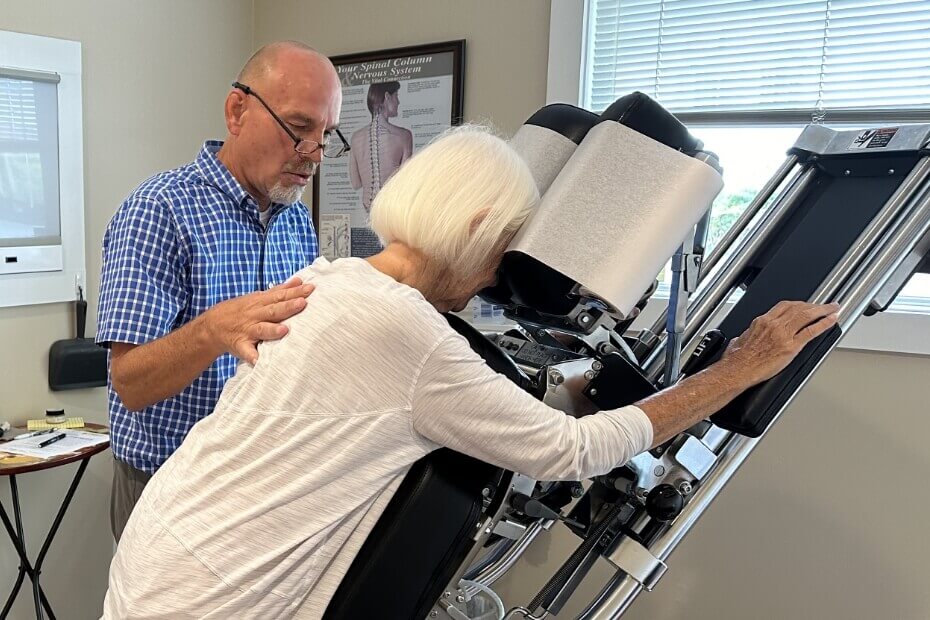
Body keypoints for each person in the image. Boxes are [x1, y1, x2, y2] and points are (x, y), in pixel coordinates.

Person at [102, 126, 838, 618]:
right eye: (503, 249)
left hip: (165, 555)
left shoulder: (332, 278)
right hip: (214, 596)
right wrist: (740, 369)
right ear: (479, 226)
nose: (494, 278)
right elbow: (571, 450)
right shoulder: (404, 331)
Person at [95, 41, 349, 541]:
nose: (313, 156)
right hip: (170, 486)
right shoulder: (158, 211)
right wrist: (212, 330)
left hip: (260, 485)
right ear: (238, 110)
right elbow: (130, 384)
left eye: (326, 137)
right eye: (299, 130)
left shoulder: (295, 219)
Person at [348, 81, 413, 212]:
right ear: (387, 97)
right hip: (392, 211)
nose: (398, 102)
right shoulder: (404, 136)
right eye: (396, 96)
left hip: (367, 209)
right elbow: (406, 183)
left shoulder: (356, 138)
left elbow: (356, 183)